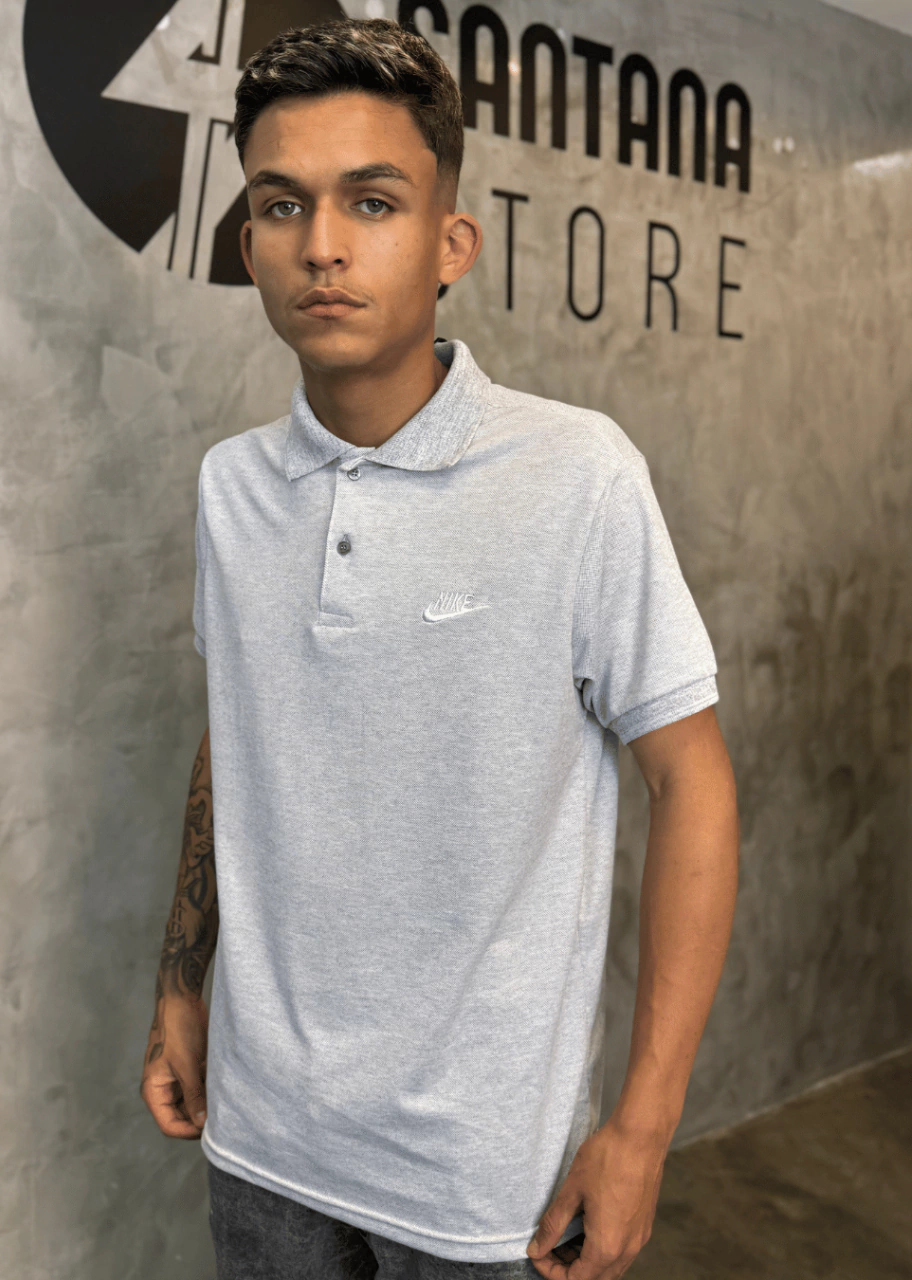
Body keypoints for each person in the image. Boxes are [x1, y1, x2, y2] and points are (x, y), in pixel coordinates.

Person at [140, 16, 739, 1280]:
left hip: (481, 1183)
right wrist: (182, 984)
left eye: (372, 201)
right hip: (263, 1144)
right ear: (248, 245)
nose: (323, 244)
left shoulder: (575, 474)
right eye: (282, 205)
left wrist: (642, 1127)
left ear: (450, 242)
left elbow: (691, 778)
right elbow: (240, 727)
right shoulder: (230, 486)